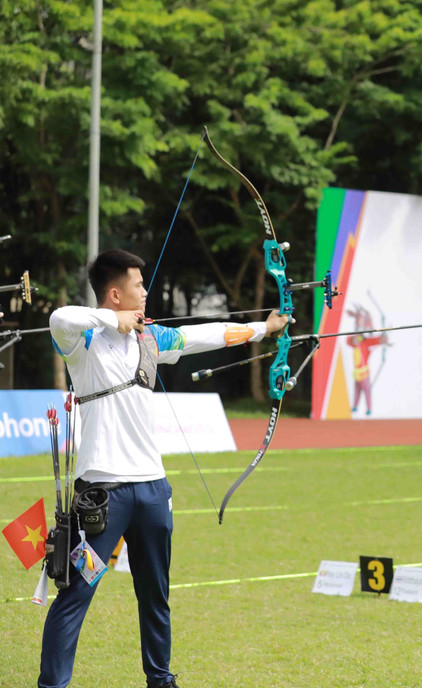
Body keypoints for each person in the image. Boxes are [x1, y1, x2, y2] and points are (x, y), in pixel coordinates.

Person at [40, 249, 288, 688]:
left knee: (155, 594)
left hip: (153, 491)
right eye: (138, 284)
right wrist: (111, 320)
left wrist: (263, 329)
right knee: (77, 592)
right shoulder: (83, 342)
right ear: (115, 294)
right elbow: (59, 317)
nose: (145, 291)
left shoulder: (151, 339)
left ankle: (160, 678)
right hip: (103, 494)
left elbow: (205, 335)